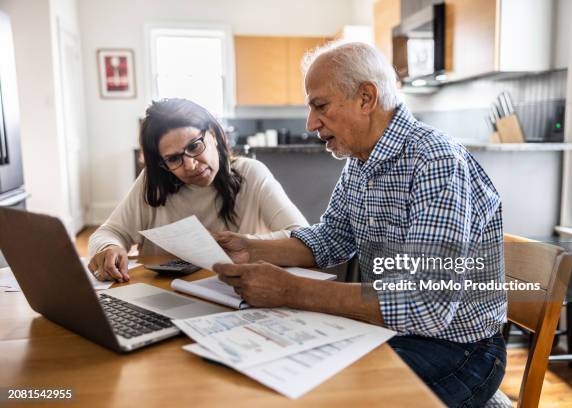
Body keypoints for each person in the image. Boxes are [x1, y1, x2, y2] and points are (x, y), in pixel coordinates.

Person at [212, 42, 507, 407]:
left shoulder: (436, 161)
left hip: (461, 350)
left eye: (320, 106)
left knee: (327, 396)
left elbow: (426, 303)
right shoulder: (360, 161)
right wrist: (252, 248)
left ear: (366, 97)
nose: (310, 123)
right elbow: (331, 238)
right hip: (392, 332)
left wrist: (291, 290)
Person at [88, 98, 307, 283]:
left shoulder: (251, 174)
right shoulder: (152, 183)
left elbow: (303, 237)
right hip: (163, 296)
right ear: (162, 163)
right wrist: (108, 247)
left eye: (194, 146)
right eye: (174, 158)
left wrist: (246, 244)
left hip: (231, 294)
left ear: (213, 134)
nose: (191, 165)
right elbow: (108, 233)